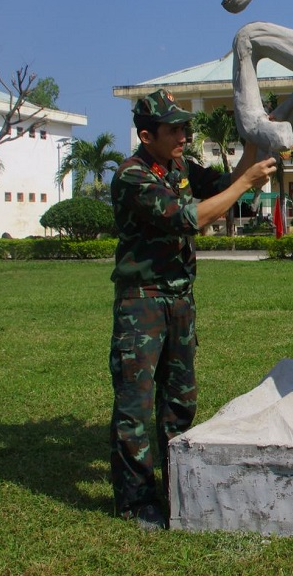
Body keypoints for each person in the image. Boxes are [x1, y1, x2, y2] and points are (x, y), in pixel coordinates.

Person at [109, 89, 278, 531]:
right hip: (143, 301)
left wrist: (255, 139)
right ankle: (135, 501)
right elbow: (192, 218)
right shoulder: (133, 176)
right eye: (174, 129)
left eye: (185, 127)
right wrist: (245, 183)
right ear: (147, 136)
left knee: (179, 400)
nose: (184, 135)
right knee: (135, 403)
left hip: (180, 299)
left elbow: (223, 186)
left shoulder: (179, 167)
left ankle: (177, 484)